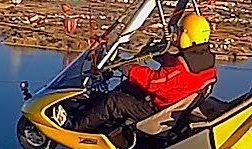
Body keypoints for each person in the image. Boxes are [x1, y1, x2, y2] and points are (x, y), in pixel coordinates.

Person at [68, 13, 217, 133]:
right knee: (129, 85)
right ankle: (92, 106)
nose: (176, 36)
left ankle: (73, 126)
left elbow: (153, 82)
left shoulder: (183, 69)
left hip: (157, 113)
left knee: (113, 101)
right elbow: (175, 67)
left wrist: (124, 66)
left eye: (178, 32)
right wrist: (157, 54)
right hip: (171, 103)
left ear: (186, 35)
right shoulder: (203, 61)